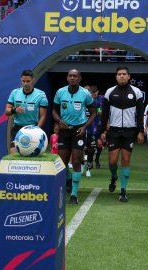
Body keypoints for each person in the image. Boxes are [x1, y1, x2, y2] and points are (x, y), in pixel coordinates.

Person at [100, 67, 145, 203]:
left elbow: (140, 113)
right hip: (113, 131)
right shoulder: (110, 92)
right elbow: (105, 113)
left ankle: (123, 191)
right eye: (119, 74)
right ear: (116, 77)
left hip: (129, 131)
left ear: (129, 76)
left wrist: (140, 131)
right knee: (112, 162)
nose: (122, 76)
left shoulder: (136, 92)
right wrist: (102, 131)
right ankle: (114, 176)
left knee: (125, 160)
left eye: (124, 74)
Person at [52, 69, 96, 205]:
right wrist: (59, 121)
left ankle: (74, 195)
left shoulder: (85, 94)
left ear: (80, 78)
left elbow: (93, 113)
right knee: (62, 163)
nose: (72, 78)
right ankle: (68, 177)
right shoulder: (60, 92)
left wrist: (85, 127)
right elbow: (54, 110)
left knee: (76, 160)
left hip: (79, 131)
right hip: (64, 131)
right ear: (67, 78)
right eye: (70, 76)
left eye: (75, 76)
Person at [5, 70, 48, 153]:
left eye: (28, 81)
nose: (25, 83)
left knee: (29, 156)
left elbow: (43, 116)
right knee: (14, 156)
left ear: (33, 80)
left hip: (33, 128)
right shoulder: (15, 93)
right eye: (23, 81)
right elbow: (7, 111)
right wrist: (14, 110)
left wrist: (36, 131)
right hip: (17, 128)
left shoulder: (41, 95)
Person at [84, 85, 104, 178]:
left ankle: (89, 168)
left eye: (89, 90)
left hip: (93, 127)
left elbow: (100, 111)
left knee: (91, 149)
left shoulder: (96, 101)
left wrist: (103, 125)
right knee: (78, 148)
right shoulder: (80, 99)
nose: (87, 92)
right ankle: (81, 164)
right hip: (81, 126)